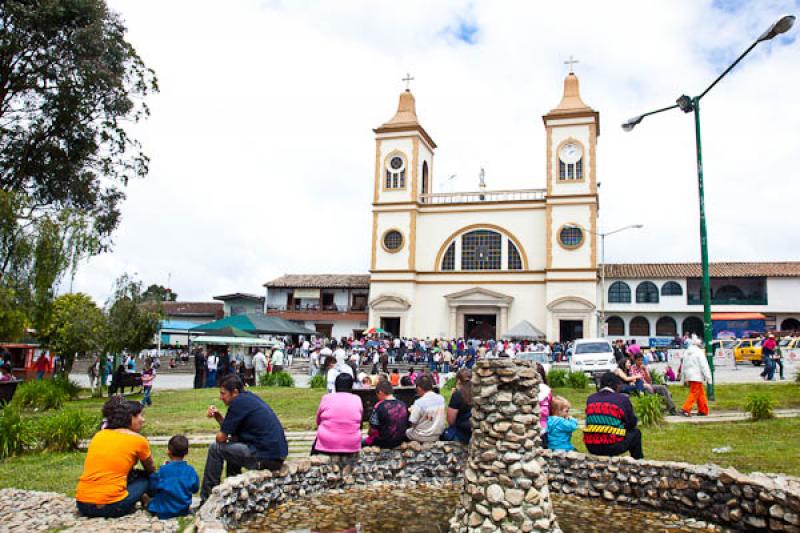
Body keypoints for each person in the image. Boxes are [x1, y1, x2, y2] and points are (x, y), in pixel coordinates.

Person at [200, 375, 288, 502]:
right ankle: (232, 490)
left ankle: (207, 499)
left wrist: (221, 434)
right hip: (274, 456)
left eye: (223, 393)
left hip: (263, 457)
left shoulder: (238, 403)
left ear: (235, 392)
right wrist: (218, 417)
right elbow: (231, 432)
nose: (221, 397)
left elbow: (221, 438)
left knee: (215, 448)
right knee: (232, 445)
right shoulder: (247, 398)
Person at [76, 397, 155, 517]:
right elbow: (151, 470)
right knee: (146, 479)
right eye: (140, 415)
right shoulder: (138, 440)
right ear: (130, 418)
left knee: (129, 474)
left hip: (82, 504)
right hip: (111, 506)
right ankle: (152, 501)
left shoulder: (99, 435)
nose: (142, 420)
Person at [583, 372, 643, 459]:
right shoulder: (622, 399)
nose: (620, 387)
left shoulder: (591, 398)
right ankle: (638, 463)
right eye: (619, 385)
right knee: (636, 434)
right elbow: (632, 423)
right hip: (612, 445)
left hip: (591, 445)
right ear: (614, 385)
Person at [147, 435, 199, 519]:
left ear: (168, 451)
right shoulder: (190, 470)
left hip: (162, 511)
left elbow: (152, 487)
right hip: (182, 510)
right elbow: (195, 489)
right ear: (187, 452)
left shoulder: (163, 470)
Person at [312, 373, 363, 455]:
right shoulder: (357, 399)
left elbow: (318, 421)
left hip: (327, 442)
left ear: (335, 385)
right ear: (351, 386)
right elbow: (360, 422)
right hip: (351, 443)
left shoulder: (326, 398)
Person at [364, 380, 409, 449]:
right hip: (401, 440)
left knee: (362, 441)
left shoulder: (379, 406)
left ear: (380, 392)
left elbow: (372, 429)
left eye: (377, 394)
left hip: (384, 442)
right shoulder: (403, 404)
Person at [406, 373, 446, 443]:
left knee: (407, 431)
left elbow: (413, 423)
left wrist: (412, 412)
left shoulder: (419, 402)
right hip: (437, 434)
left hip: (421, 436)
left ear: (419, 388)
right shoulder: (441, 399)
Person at [681, 335, 712, 417]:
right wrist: (709, 378)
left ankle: (703, 410)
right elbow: (704, 366)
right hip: (697, 376)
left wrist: (683, 378)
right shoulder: (699, 352)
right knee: (694, 393)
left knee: (700, 393)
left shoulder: (686, 352)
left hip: (689, 376)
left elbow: (683, 365)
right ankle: (686, 409)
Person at [442, 368, 472, 444]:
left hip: (461, 434)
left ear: (458, 380)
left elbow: (450, 421)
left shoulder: (457, 395)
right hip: (476, 432)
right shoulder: (479, 392)